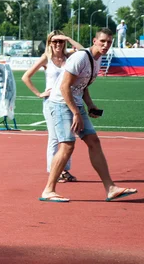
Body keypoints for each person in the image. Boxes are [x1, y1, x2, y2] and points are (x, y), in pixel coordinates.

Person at [39, 28, 137, 202]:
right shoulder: (80, 57)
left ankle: (110, 188)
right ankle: (48, 189)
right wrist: (76, 113)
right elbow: (64, 87)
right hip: (61, 103)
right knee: (67, 145)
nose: (106, 45)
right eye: (102, 41)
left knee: (94, 141)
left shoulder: (97, 60)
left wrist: (90, 106)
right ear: (94, 41)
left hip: (75, 103)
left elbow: (82, 86)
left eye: (109, 42)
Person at [22, 30, 82, 183]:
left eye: (60, 41)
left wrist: (68, 37)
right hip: (50, 103)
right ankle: (54, 171)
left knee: (67, 138)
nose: (57, 44)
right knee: (54, 138)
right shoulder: (46, 59)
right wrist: (39, 93)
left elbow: (83, 52)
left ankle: (64, 169)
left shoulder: (69, 57)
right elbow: (26, 77)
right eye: (54, 41)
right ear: (49, 43)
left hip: (67, 101)